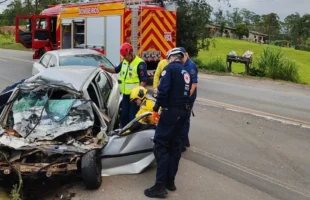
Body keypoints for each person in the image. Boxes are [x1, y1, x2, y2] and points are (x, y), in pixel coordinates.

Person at [144, 47, 191, 198]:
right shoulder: (185, 72)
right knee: (174, 147)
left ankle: (159, 186)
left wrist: (156, 108)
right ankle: (170, 182)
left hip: (170, 112)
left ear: (171, 57)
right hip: (183, 113)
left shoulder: (169, 69)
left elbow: (163, 90)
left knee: (160, 145)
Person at [99, 43, 147, 127]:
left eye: (125, 56)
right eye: (123, 56)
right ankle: (124, 133)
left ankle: (132, 134)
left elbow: (143, 81)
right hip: (125, 95)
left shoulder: (140, 64)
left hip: (134, 97)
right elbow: (115, 70)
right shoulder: (124, 61)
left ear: (131, 53)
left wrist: (139, 96)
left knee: (132, 116)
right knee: (124, 115)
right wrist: (105, 68)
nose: (124, 58)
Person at [178, 47, 198, 151]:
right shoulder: (181, 64)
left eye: (182, 56)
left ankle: (182, 144)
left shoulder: (191, 66)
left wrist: (187, 96)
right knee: (182, 118)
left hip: (189, 96)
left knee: (185, 119)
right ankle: (185, 140)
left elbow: (194, 84)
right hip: (183, 95)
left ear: (186, 54)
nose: (180, 58)